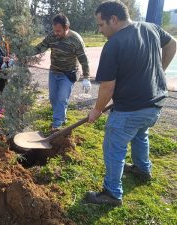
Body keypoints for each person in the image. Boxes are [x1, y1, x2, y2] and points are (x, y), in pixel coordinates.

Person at [85, 1, 176, 206]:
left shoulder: (114, 44)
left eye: (101, 25)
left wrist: (97, 110)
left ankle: (111, 193)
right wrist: (160, 71)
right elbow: (172, 44)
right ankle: (143, 169)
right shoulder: (151, 28)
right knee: (140, 134)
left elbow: (107, 87)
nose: (100, 30)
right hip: (155, 104)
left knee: (114, 146)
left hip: (131, 109)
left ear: (114, 20)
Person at [31, 13, 91, 130]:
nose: (55, 33)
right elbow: (40, 47)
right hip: (54, 71)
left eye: (58, 31)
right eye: (54, 30)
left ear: (66, 28)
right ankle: (61, 117)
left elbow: (84, 60)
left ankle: (57, 125)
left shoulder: (76, 40)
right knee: (53, 98)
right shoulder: (52, 36)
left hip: (69, 73)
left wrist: (86, 78)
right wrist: (22, 52)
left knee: (62, 98)